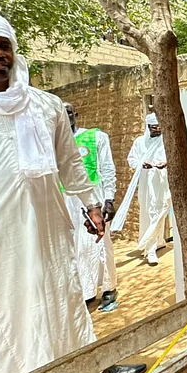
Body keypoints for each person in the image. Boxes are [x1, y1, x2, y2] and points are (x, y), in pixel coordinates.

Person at [0, 12, 145, 373]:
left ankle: (86, 368)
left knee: (62, 300)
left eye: (4, 45)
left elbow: (70, 164)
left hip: (48, 228)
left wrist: (92, 204)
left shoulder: (46, 106)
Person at [63, 102, 119, 310]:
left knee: (100, 244)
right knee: (76, 246)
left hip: (93, 197)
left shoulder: (95, 137)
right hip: (66, 198)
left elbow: (107, 167)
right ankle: (86, 290)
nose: (65, 117)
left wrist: (109, 199)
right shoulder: (54, 142)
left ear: (75, 114)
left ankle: (108, 288)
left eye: (68, 112)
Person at [120, 113, 171, 266]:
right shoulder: (140, 142)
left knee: (159, 212)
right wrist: (142, 165)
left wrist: (165, 164)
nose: (156, 130)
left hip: (161, 181)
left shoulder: (165, 141)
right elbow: (132, 159)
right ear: (148, 128)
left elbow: (171, 158)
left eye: (158, 127)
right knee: (149, 213)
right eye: (153, 128)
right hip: (146, 182)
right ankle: (153, 246)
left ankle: (151, 246)